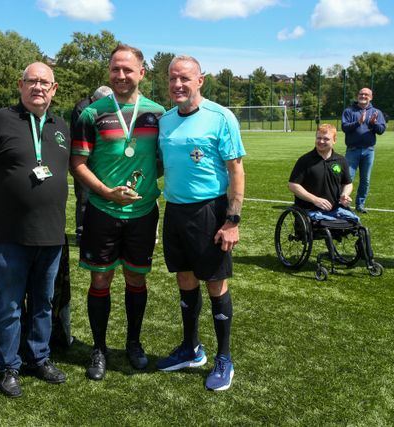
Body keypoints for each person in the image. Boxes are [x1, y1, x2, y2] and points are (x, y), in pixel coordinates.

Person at [0, 62, 69, 398]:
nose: (38, 87)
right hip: (10, 235)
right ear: (20, 85)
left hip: (51, 234)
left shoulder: (61, 126)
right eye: (31, 81)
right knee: (9, 303)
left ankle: (39, 357)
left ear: (54, 89)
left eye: (44, 82)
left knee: (43, 301)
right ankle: (9, 366)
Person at [71, 44, 165, 380]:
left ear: (142, 72)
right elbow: (77, 163)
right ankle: (98, 348)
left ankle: (134, 343)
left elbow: (164, 161)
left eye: (128, 69)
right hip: (101, 211)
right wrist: (107, 192)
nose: (121, 76)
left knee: (136, 278)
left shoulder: (158, 114)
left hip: (142, 213)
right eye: (115, 69)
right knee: (101, 278)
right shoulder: (91, 113)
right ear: (108, 72)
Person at [156, 55, 245, 392]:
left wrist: (232, 221)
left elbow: (236, 170)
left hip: (210, 212)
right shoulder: (165, 121)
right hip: (175, 211)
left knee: (215, 283)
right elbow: (164, 164)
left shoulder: (220, 117)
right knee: (185, 279)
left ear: (200, 80)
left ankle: (224, 357)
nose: (178, 85)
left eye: (185, 78)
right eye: (172, 79)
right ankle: (191, 349)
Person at [70, 85, 113, 245]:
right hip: (83, 160)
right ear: (94, 99)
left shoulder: (102, 106)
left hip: (98, 160)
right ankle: (81, 233)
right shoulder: (82, 109)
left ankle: (98, 231)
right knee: (84, 197)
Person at [289, 123, 357, 222]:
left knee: (359, 226)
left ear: (334, 140)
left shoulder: (341, 160)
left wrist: (345, 194)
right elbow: (293, 185)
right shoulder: (305, 160)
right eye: (318, 138)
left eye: (326, 139)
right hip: (309, 210)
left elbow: (348, 183)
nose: (321, 141)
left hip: (335, 209)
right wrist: (315, 200)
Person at [341, 87, 386, 213]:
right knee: (347, 178)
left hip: (368, 151)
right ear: (357, 96)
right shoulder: (349, 111)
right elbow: (344, 127)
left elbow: (381, 130)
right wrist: (358, 122)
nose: (363, 96)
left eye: (366, 94)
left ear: (371, 97)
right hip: (352, 150)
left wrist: (374, 124)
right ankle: (343, 203)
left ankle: (360, 205)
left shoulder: (376, 112)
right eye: (361, 94)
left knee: (365, 180)